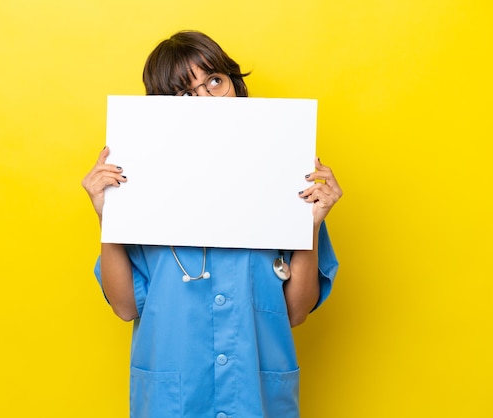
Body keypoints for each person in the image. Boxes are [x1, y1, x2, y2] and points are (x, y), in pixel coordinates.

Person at [82, 30, 342, 418]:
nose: (205, 100)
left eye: (214, 82)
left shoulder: (284, 175)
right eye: (185, 93)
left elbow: (296, 312)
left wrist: (311, 225)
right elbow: (124, 306)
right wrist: (109, 215)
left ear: (234, 86)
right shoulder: (140, 187)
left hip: (255, 398)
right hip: (175, 401)